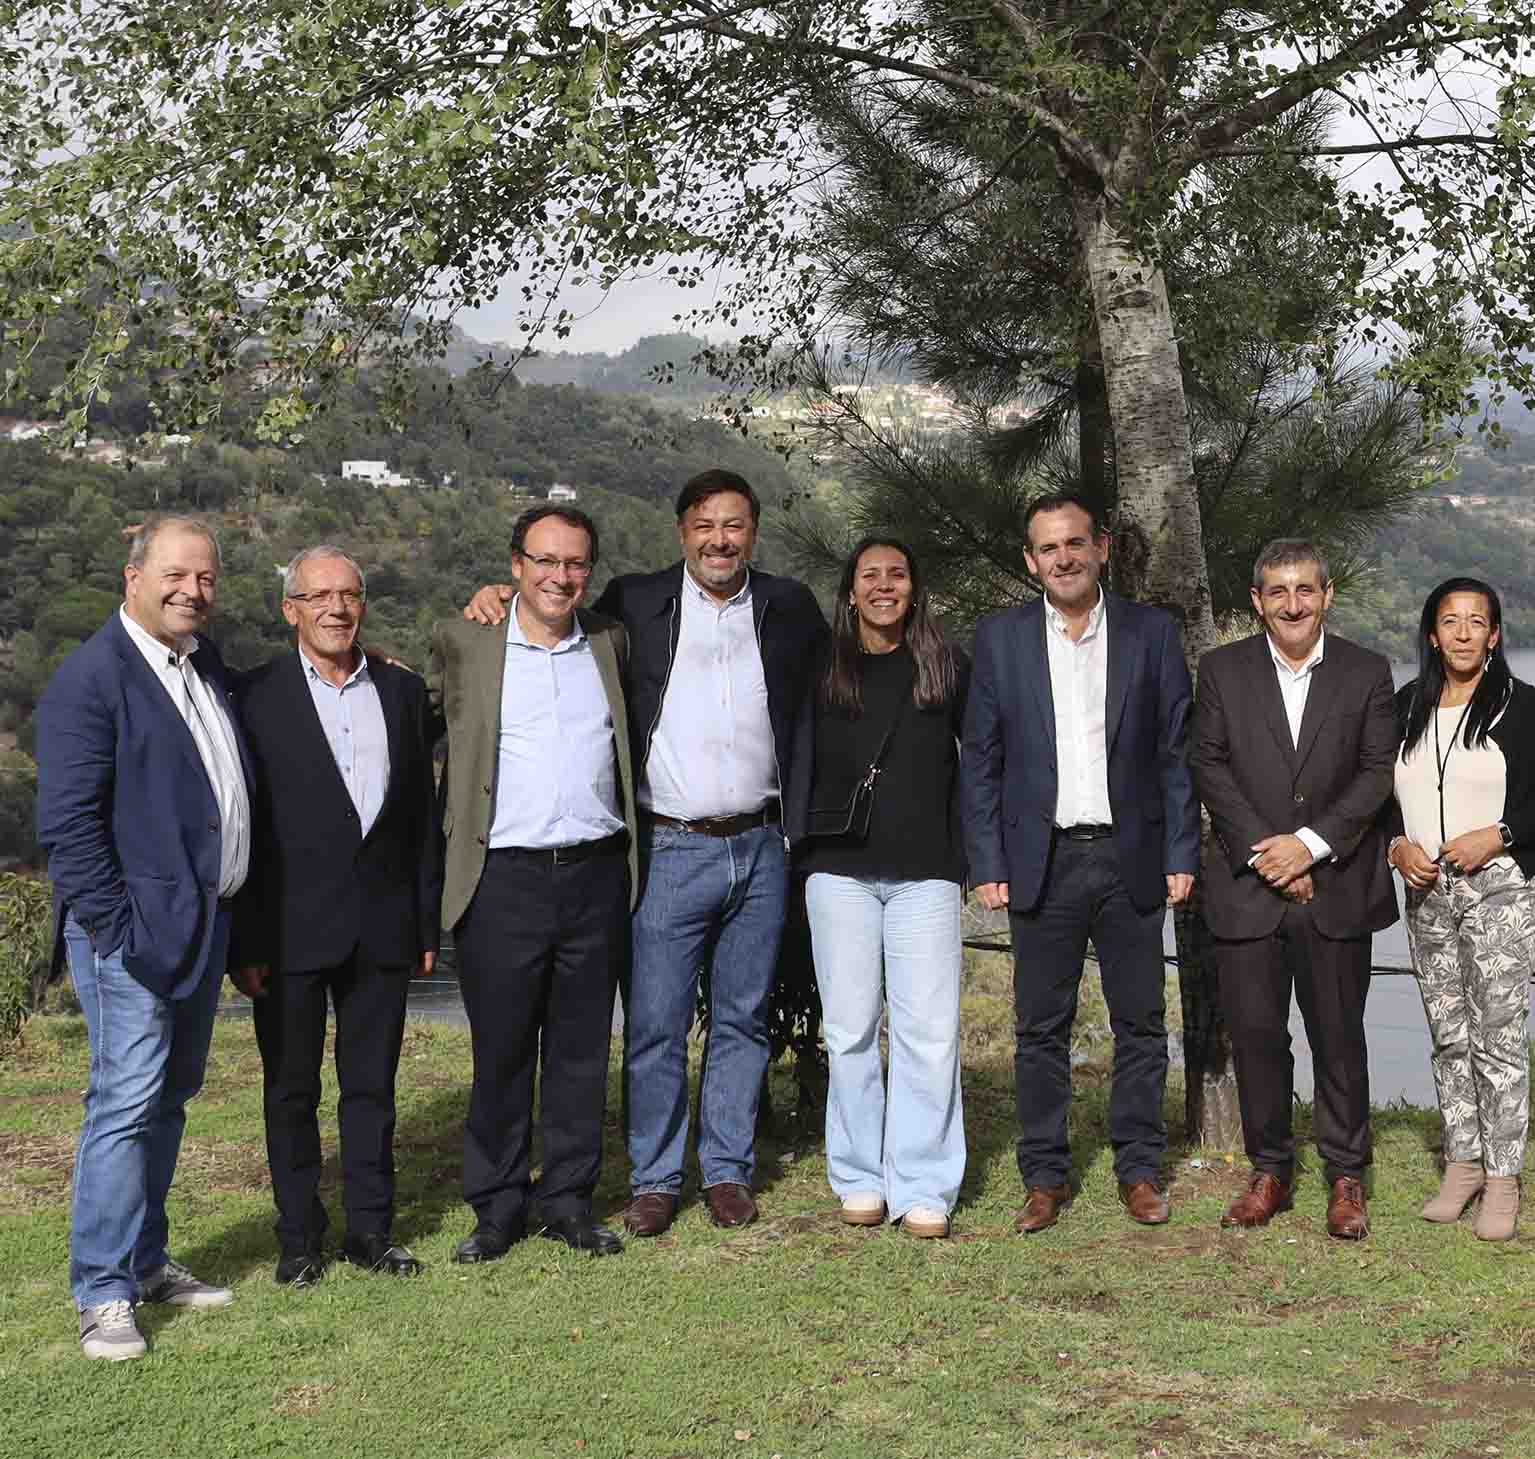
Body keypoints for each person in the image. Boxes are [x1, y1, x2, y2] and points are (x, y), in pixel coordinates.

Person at [466, 469, 829, 1235]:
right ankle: (657, 1178)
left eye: (734, 525)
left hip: (761, 844)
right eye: (705, 524)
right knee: (656, 1023)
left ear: (753, 533)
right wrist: (496, 595)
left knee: (742, 1019)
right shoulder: (635, 602)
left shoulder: (789, 606)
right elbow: (553, 613)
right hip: (670, 845)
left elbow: (833, 690)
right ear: (681, 533)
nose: (719, 539)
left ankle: (726, 1169)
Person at [37, 515, 251, 1360]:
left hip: (200, 926)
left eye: (205, 577)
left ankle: (147, 1259)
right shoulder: (92, 678)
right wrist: (118, 932)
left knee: (168, 1097)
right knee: (125, 1104)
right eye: (175, 575)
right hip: (132, 938)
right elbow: (68, 826)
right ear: (133, 577)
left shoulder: (203, 663)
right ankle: (102, 1290)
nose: (192, 590)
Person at [960, 494, 1198, 1234]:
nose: (1062, 558)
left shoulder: (1151, 633)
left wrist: (1181, 850)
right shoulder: (999, 639)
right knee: (1040, 1028)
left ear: (1101, 547)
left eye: (1074, 543)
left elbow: (1175, 754)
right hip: (1043, 859)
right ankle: (1044, 1176)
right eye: (1047, 548)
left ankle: (1139, 1169)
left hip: (1132, 856)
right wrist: (987, 859)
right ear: (1030, 561)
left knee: (1143, 1024)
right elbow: (981, 760)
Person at [433, 504, 639, 1262]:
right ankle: (496, 1206)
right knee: (502, 1050)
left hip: (594, 873)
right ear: (516, 564)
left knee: (582, 1051)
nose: (560, 576)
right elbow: (413, 710)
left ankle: (568, 1200)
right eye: (545, 560)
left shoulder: (611, 642)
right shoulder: (465, 641)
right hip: (502, 878)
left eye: (575, 562)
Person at [229, 546, 441, 1285]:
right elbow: (246, 826)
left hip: (383, 925)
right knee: (291, 1091)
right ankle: (298, 1237)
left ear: (363, 605)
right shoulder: (253, 696)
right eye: (318, 596)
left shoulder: (402, 692)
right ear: (290, 608)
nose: (336, 608)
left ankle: (371, 1229)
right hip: (286, 932)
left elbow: (420, 818)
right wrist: (245, 940)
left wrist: (424, 922)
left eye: (348, 594)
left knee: (372, 1087)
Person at [1192, 540, 1398, 1239]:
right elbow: (1209, 766)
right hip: (1247, 888)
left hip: (1334, 887)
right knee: (1256, 1036)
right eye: (1277, 591)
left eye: (1305, 589)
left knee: (1338, 1036)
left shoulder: (1367, 672)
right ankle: (1270, 1171)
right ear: (1257, 600)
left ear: (1327, 594)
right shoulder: (1222, 671)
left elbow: (1376, 773)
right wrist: (1270, 854)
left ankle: (1345, 1175)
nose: (1292, 604)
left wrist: (1308, 846)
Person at [1382, 577, 1535, 1242]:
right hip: (1426, 892)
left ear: (1494, 635)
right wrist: (1396, 845)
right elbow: (1381, 794)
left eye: (1476, 621)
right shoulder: (1407, 706)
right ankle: (1461, 1164)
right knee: (1448, 1034)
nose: (1462, 632)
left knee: (1497, 1038)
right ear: (1432, 635)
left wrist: (1499, 835)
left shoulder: (1523, 708)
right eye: (1449, 621)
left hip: (1500, 889)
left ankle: (1502, 1178)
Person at [798, 537, 971, 1239]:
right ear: (850, 591)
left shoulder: (947, 666)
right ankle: (860, 1176)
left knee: (929, 1032)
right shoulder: (820, 667)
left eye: (897, 573)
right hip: (837, 872)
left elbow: (980, 760)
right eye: (870, 575)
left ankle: (924, 1182)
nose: (883, 585)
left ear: (914, 587)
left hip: (926, 873)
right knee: (849, 1031)